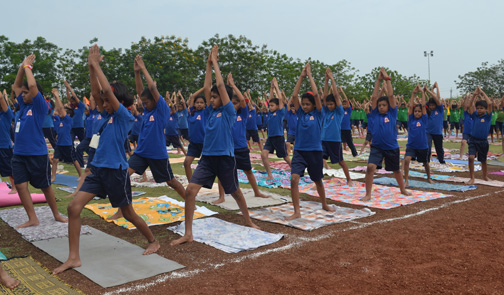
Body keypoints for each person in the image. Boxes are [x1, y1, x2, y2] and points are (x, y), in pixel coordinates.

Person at [53, 45, 160, 275]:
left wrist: (98, 65)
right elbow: (96, 92)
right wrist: (91, 68)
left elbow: (107, 94)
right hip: (98, 172)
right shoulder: (105, 115)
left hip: (116, 173)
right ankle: (74, 257)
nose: (101, 102)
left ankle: (152, 240)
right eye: (101, 100)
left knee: (129, 213)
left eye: (106, 99)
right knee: (73, 207)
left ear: (118, 101)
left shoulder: (123, 116)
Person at [171, 45, 259, 246]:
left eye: (214, 97)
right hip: (208, 158)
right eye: (210, 98)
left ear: (224, 98)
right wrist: (208, 64)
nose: (211, 100)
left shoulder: (229, 111)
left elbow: (219, 86)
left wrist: (216, 63)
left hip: (226, 158)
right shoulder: (210, 111)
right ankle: (188, 233)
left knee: (235, 192)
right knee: (191, 190)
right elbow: (209, 84)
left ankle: (248, 220)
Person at [106, 55, 187, 220]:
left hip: (157, 155)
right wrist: (136, 73)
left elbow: (152, 88)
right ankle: (122, 210)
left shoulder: (161, 110)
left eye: (146, 102)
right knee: (123, 176)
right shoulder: (147, 111)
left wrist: (143, 68)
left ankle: (190, 201)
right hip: (141, 153)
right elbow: (140, 90)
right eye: (142, 102)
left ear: (155, 101)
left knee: (171, 182)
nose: (143, 104)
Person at [11, 54, 67, 228]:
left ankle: (56, 214)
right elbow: (16, 86)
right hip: (19, 154)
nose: (24, 95)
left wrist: (28, 68)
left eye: (27, 93)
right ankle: (32, 218)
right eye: (24, 93)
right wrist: (21, 67)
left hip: (37, 154)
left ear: (36, 95)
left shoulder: (40, 106)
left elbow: (32, 85)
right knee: (20, 186)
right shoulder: (23, 106)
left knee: (45, 186)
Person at [285, 63, 334, 220]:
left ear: (313, 105)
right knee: (294, 179)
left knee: (318, 180)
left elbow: (318, 98)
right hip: (299, 151)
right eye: (303, 104)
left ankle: (324, 203)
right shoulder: (300, 113)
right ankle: (296, 211)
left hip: (314, 152)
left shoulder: (319, 114)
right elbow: (294, 97)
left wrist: (310, 76)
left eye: (307, 104)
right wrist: (301, 76)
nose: (305, 106)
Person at [213, 73, 268, 204]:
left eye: (235, 103)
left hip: (241, 148)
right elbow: (224, 97)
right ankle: (221, 196)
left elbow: (243, 101)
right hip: (227, 148)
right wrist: (227, 87)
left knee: (248, 171)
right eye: (231, 103)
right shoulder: (226, 114)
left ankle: (257, 192)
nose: (234, 105)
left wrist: (232, 85)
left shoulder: (242, 115)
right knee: (222, 173)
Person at [361, 68, 410, 202]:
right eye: (380, 105)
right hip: (377, 146)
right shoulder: (375, 113)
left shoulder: (392, 113)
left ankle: (402, 189)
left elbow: (391, 96)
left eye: (384, 105)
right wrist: (378, 80)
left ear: (389, 106)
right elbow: (374, 97)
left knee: (396, 170)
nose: (381, 107)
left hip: (391, 147)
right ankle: (368, 194)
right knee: (370, 168)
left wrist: (387, 79)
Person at [321, 68, 354, 186]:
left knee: (341, 161)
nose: (329, 106)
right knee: (319, 159)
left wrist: (332, 79)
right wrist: (326, 80)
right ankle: (319, 181)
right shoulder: (326, 111)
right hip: (324, 139)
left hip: (334, 141)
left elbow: (335, 94)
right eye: (328, 104)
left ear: (336, 104)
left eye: (331, 104)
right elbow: (325, 95)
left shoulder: (339, 112)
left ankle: (349, 179)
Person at [260, 77, 291, 180]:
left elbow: (281, 100)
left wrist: (277, 87)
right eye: (270, 106)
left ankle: (296, 171)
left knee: (285, 157)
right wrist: (271, 88)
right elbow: (270, 100)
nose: (270, 107)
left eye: (272, 106)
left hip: (278, 137)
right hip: (270, 138)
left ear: (278, 106)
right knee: (264, 154)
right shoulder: (270, 113)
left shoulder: (280, 112)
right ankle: (269, 174)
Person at [403, 85, 433, 186]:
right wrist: (413, 93)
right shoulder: (411, 119)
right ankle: (406, 180)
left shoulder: (424, 119)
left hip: (422, 146)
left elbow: (423, 105)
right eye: (415, 111)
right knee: (406, 160)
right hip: (411, 145)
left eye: (419, 111)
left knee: (425, 163)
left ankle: (429, 177)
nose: (417, 113)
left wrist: (422, 92)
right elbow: (410, 106)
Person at [50, 89, 83, 182]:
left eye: (63, 112)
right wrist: (55, 98)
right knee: (55, 160)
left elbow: (60, 109)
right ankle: (53, 177)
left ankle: (80, 175)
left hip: (67, 144)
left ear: (68, 114)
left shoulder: (68, 120)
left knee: (73, 160)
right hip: (59, 144)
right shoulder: (60, 120)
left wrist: (57, 96)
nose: (60, 112)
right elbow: (57, 109)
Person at [466, 86, 493, 185]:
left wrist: (482, 92)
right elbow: (469, 106)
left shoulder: (488, 117)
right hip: (473, 140)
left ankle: (485, 176)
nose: (479, 110)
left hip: (483, 141)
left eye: (481, 108)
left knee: (483, 160)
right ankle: (472, 178)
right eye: (478, 108)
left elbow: (489, 103)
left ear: (485, 109)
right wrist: (474, 95)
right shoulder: (475, 115)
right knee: (471, 157)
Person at [183, 87, 209, 181]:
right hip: (194, 144)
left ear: (205, 104)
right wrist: (203, 88)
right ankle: (191, 184)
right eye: (197, 102)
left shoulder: (206, 112)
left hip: (205, 144)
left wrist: (205, 88)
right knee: (186, 163)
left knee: (207, 166)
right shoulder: (191, 112)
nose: (199, 104)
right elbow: (192, 96)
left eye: (201, 102)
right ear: (194, 104)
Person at [65, 81, 86, 167]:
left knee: (84, 145)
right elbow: (69, 98)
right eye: (72, 102)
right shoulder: (72, 108)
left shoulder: (81, 106)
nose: (72, 102)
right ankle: (73, 160)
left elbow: (74, 97)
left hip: (80, 128)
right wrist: (66, 88)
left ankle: (91, 158)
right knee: (70, 144)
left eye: (74, 101)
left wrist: (69, 87)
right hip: (72, 128)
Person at [0, 90, 16, 194]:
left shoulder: (6, 115)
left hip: (4, 146)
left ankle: (14, 187)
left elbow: (2, 99)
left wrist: (3, 95)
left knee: (10, 170)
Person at [425, 82, 445, 164]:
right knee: (427, 147)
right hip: (428, 132)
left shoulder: (439, 110)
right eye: (430, 105)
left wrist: (434, 89)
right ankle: (426, 161)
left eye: (433, 105)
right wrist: (429, 90)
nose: (432, 107)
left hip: (437, 132)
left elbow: (437, 98)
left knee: (439, 148)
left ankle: (441, 160)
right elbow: (430, 99)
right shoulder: (428, 110)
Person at [164, 91, 187, 155]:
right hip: (167, 134)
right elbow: (166, 106)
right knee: (163, 144)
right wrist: (167, 98)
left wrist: (168, 98)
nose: (170, 111)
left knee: (179, 145)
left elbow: (173, 107)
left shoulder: (175, 115)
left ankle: (185, 154)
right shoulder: (167, 115)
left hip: (174, 133)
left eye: (171, 110)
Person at [339, 87, 358, 157]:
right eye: (343, 104)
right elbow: (338, 100)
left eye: (345, 104)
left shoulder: (349, 110)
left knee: (350, 142)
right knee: (339, 142)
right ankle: (338, 154)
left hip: (347, 129)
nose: (344, 105)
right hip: (340, 129)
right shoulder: (341, 111)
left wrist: (342, 92)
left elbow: (346, 100)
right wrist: (338, 93)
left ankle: (354, 153)